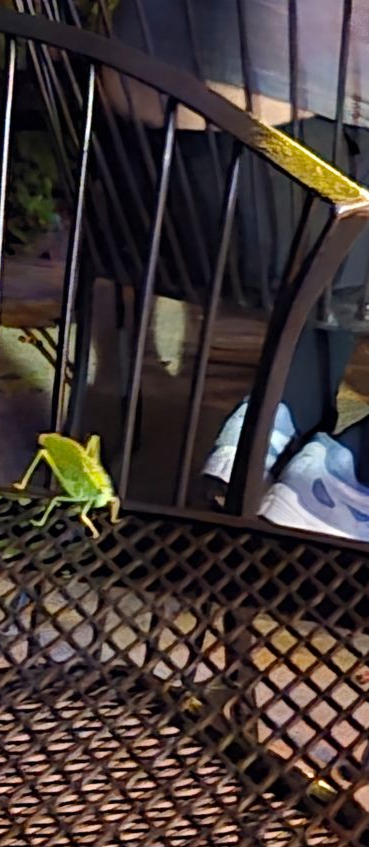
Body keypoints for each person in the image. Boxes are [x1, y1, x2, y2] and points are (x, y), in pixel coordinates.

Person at [108, 0, 369, 538]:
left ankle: (270, 426)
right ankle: (351, 478)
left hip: (135, 179)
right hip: (292, 189)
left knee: (335, 263)